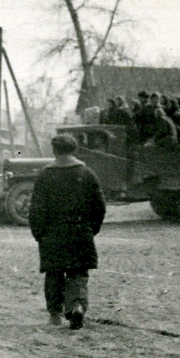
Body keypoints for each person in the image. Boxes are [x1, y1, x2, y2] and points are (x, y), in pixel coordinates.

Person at [27, 133, 106, 330]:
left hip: (52, 234)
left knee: (54, 273)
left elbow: (36, 209)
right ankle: (77, 306)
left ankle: (55, 314)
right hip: (80, 232)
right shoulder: (87, 174)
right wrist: (92, 229)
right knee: (78, 272)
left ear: (54, 151)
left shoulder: (45, 175)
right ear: (75, 149)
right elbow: (99, 206)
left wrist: (39, 233)